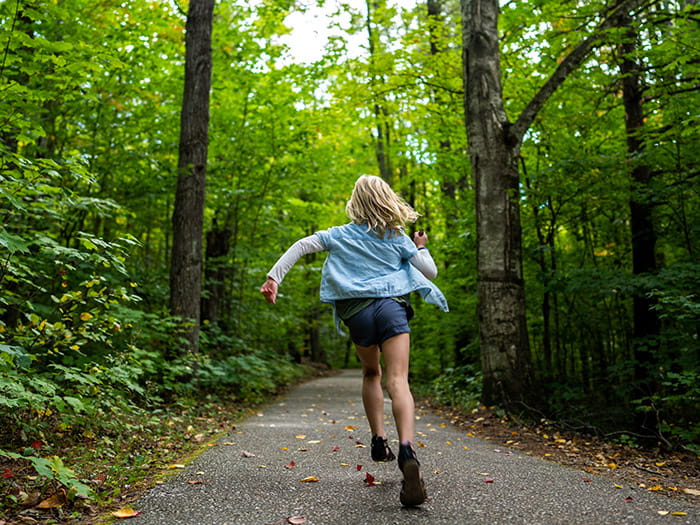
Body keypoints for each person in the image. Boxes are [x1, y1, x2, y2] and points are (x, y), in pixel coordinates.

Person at [260, 174, 448, 507]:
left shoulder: (339, 234)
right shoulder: (397, 237)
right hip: (391, 310)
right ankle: (406, 448)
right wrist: (420, 247)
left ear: (355, 202)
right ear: (387, 199)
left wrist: (274, 277)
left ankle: (378, 439)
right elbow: (429, 272)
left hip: (358, 314)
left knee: (371, 373)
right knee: (398, 381)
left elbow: (302, 246)